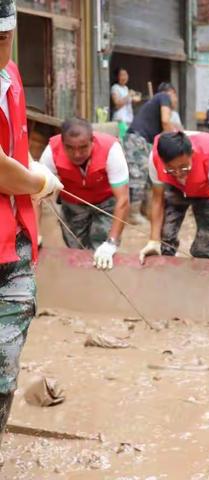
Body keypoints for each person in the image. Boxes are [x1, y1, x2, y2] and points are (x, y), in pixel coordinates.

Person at [0, 1, 63, 464]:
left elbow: (16, 145)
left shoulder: (12, 77)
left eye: (2, 38)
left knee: (4, 361)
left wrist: (33, 174)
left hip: (15, 238)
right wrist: (38, 181)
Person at [139, 131, 209, 272]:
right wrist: (154, 240)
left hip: (207, 189)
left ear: (192, 153)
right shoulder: (155, 157)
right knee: (164, 244)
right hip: (175, 188)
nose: (178, 173)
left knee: (204, 250)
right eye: (171, 169)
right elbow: (157, 199)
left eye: (183, 167)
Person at [39, 118, 129, 270]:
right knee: (76, 251)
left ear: (92, 141)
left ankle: (99, 287)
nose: (77, 154)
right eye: (70, 148)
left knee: (100, 248)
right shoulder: (51, 152)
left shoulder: (111, 150)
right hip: (73, 203)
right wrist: (36, 234)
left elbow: (123, 199)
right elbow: (36, 195)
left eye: (83, 147)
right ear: (62, 143)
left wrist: (111, 242)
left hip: (105, 201)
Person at [123, 82, 178, 224]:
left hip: (144, 142)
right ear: (171, 93)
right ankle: (132, 214)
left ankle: (146, 211)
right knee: (138, 176)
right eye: (175, 96)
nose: (176, 100)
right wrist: (176, 140)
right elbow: (166, 122)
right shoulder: (164, 96)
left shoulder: (157, 103)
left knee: (149, 177)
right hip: (137, 140)